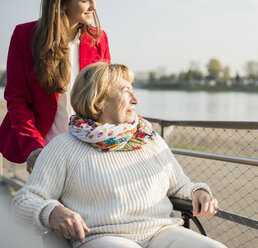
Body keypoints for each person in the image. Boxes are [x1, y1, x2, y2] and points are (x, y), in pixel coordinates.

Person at [12, 62, 226, 248]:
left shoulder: (148, 139)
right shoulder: (63, 147)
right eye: (126, 92)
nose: (136, 100)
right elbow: (25, 200)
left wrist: (198, 192)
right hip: (103, 236)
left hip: (162, 232)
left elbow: (179, 186)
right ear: (98, 101)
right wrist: (51, 211)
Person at [0, 0, 110, 173]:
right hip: (45, 153)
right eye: (84, 1)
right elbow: (17, 99)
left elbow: (105, 96)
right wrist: (33, 147)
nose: (94, 7)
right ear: (61, 3)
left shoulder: (99, 39)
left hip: (89, 151)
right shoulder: (24, 35)